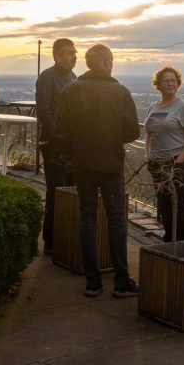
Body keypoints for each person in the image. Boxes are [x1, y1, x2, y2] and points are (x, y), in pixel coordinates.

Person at [56, 43, 140, 298]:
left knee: (87, 219)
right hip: (111, 164)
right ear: (105, 63)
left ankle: (93, 282)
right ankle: (121, 280)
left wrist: (74, 152)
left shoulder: (71, 90)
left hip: (82, 163)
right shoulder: (120, 92)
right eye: (111, 61)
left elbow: (61, 131)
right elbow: (133, 132)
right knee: (116, 220)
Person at [144, 65, 184, 242]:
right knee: (164, 203)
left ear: (178, 83)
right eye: (166, 80)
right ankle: (169, 241)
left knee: (179, 205)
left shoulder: (183, 106)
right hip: (157, 164)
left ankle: (183, 244)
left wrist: (179, 161)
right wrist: (148, 155)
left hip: (177, 163)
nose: (170, 83)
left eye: (173, 80)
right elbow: (150, 133)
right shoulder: (153, 107)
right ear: (158, 84)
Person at [35, 38, 77, 255]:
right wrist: (59, 136)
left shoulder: (73, 77)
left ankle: (66, 237)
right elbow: (43, 110)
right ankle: (51, 241)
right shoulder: (47, 77)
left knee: (70, 190)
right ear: (57, 56)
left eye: (75, 52)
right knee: (56, 191)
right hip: (52, 143)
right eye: (69, 52)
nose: (74, 56)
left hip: (71, 145)